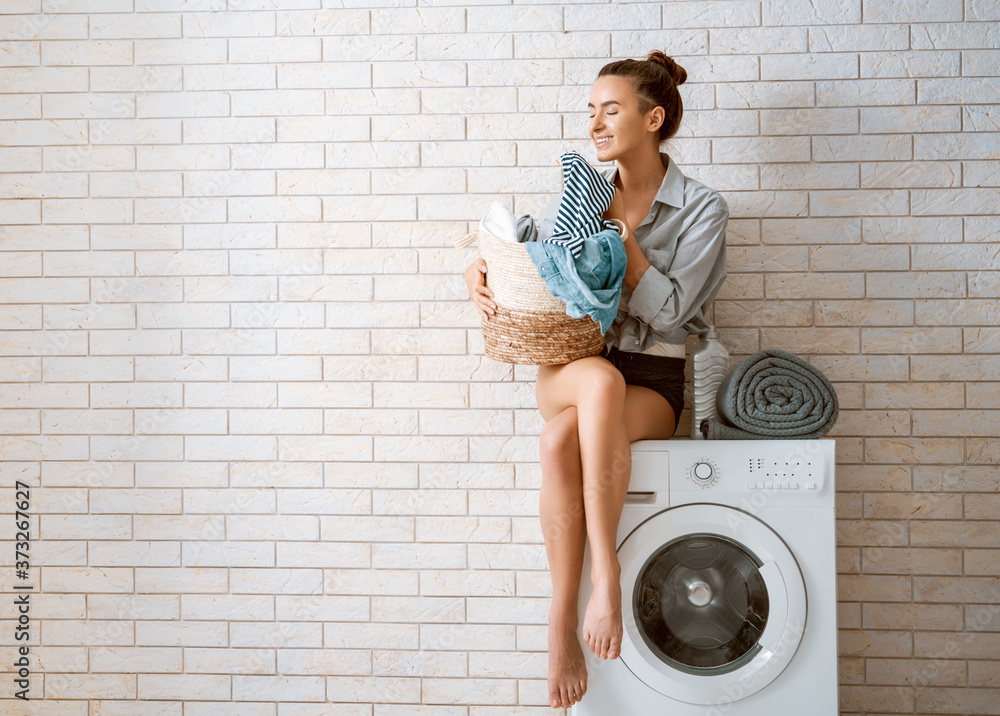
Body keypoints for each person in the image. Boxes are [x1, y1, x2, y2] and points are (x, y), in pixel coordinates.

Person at [465, 51, 729, 709]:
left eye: (610, 109)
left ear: (653, 117)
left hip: (654, 377)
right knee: (596, 386)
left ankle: (572, 606)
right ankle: (592, 591)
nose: (595, 123)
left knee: (559, 443)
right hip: (576, 363)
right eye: (591, 110)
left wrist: (625, 246)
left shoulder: (702, 209)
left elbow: (673, 312)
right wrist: (480, 272)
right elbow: (546, 273)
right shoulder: (584, 193)